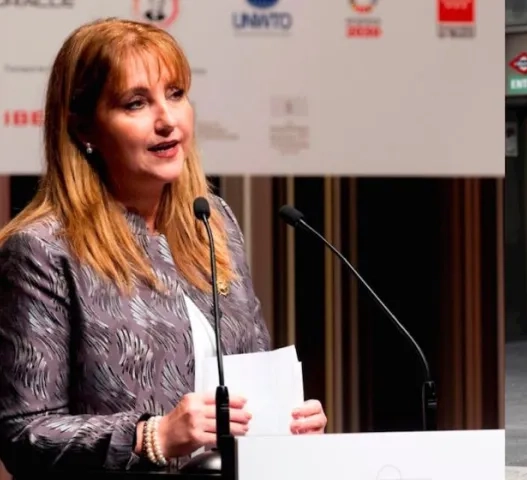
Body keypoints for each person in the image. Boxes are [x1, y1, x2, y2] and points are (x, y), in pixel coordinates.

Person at [0, 18, 327, 477]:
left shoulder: (213, 223)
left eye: (175, 94)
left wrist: (288, 425)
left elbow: (249, 382)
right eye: (136, 103)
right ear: (83, 129)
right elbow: (23, 434)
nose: (167, 120)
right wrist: (153, 435)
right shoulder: (41, 249)